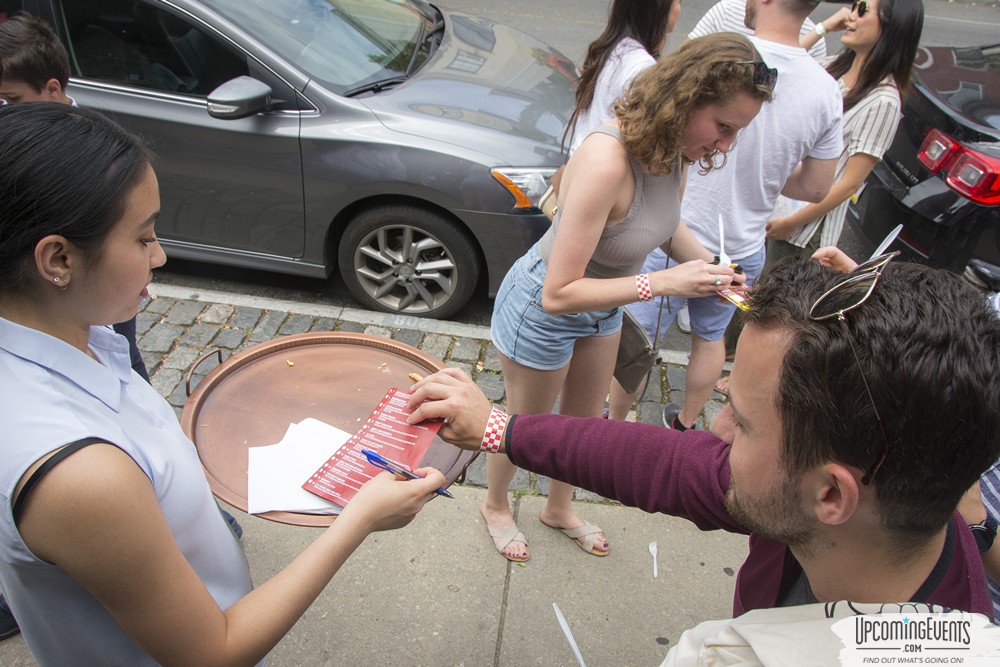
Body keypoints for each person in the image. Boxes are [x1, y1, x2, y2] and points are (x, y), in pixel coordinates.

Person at [0, 102, 444, 665]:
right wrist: (359, 519)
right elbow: (213, 652)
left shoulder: (76, 338)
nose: (160, 256)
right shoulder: (79, 476)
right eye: (142, 238)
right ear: (57, 258)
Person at [408, 251, 1000, 621]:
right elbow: (662, 463)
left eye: (741, 423)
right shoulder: (859, 504)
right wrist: (500, 427)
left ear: (831, 495)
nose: (711, 434)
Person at [482, 33, 772, 562]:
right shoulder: (606, 159)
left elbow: (664, 224)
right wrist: (662, 282)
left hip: (603, 311)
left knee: (584, 426)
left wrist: (714, 268)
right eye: (724, 127)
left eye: (737, 133)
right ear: (684, 101)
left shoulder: (676, 152)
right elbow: (558, 293)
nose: (726, 145)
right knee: (524, 425)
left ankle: (558, 508)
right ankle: (495, 503)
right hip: (544, 310)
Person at [611, 0, 844, 429]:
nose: (724, 145)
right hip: (742, 245)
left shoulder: (722, 59)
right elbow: (814, 187)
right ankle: (685, 423)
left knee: (635, 342)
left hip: (673, 232)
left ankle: (613, 425)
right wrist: (767, 175)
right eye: (723, 130)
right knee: (709, 338)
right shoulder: (825, 90)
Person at [0, 11, 149, 380]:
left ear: (52, 89)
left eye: (8, 100)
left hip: (101, 308)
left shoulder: (105, 156)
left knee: (123, 356)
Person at [765, 0, 924, 260]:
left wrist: (793, 222)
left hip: (804, 233)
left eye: (862, 10)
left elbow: (850, 182)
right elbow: (782, 67)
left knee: (771, 298)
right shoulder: (835, 67)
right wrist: (824, 27)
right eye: (853, 6)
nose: (849, 16)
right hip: (778, 207)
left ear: (891, 26)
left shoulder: (884, 100)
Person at [564, 0, 681, 155]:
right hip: (600, 168)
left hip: (581, 160)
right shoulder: (642, 66)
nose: (679, 9)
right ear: (659, 6)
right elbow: (639, 139)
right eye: (678, 1)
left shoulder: (613, 47)